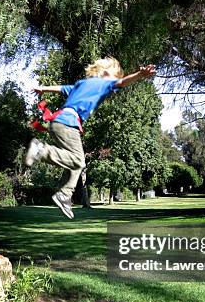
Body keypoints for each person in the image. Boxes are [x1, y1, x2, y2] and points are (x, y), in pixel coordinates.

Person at [24, 57, 156, 219]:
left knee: (76, 163)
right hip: (68, 124)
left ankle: (64, 195)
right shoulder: (103, 83)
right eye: (115, 76)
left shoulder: (82, 84)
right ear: (107, 73)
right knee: (78, 161)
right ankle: (41, 151)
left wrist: (43, 88)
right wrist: (140, 75)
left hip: (57, 123)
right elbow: (122, 82)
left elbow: (63, 88)